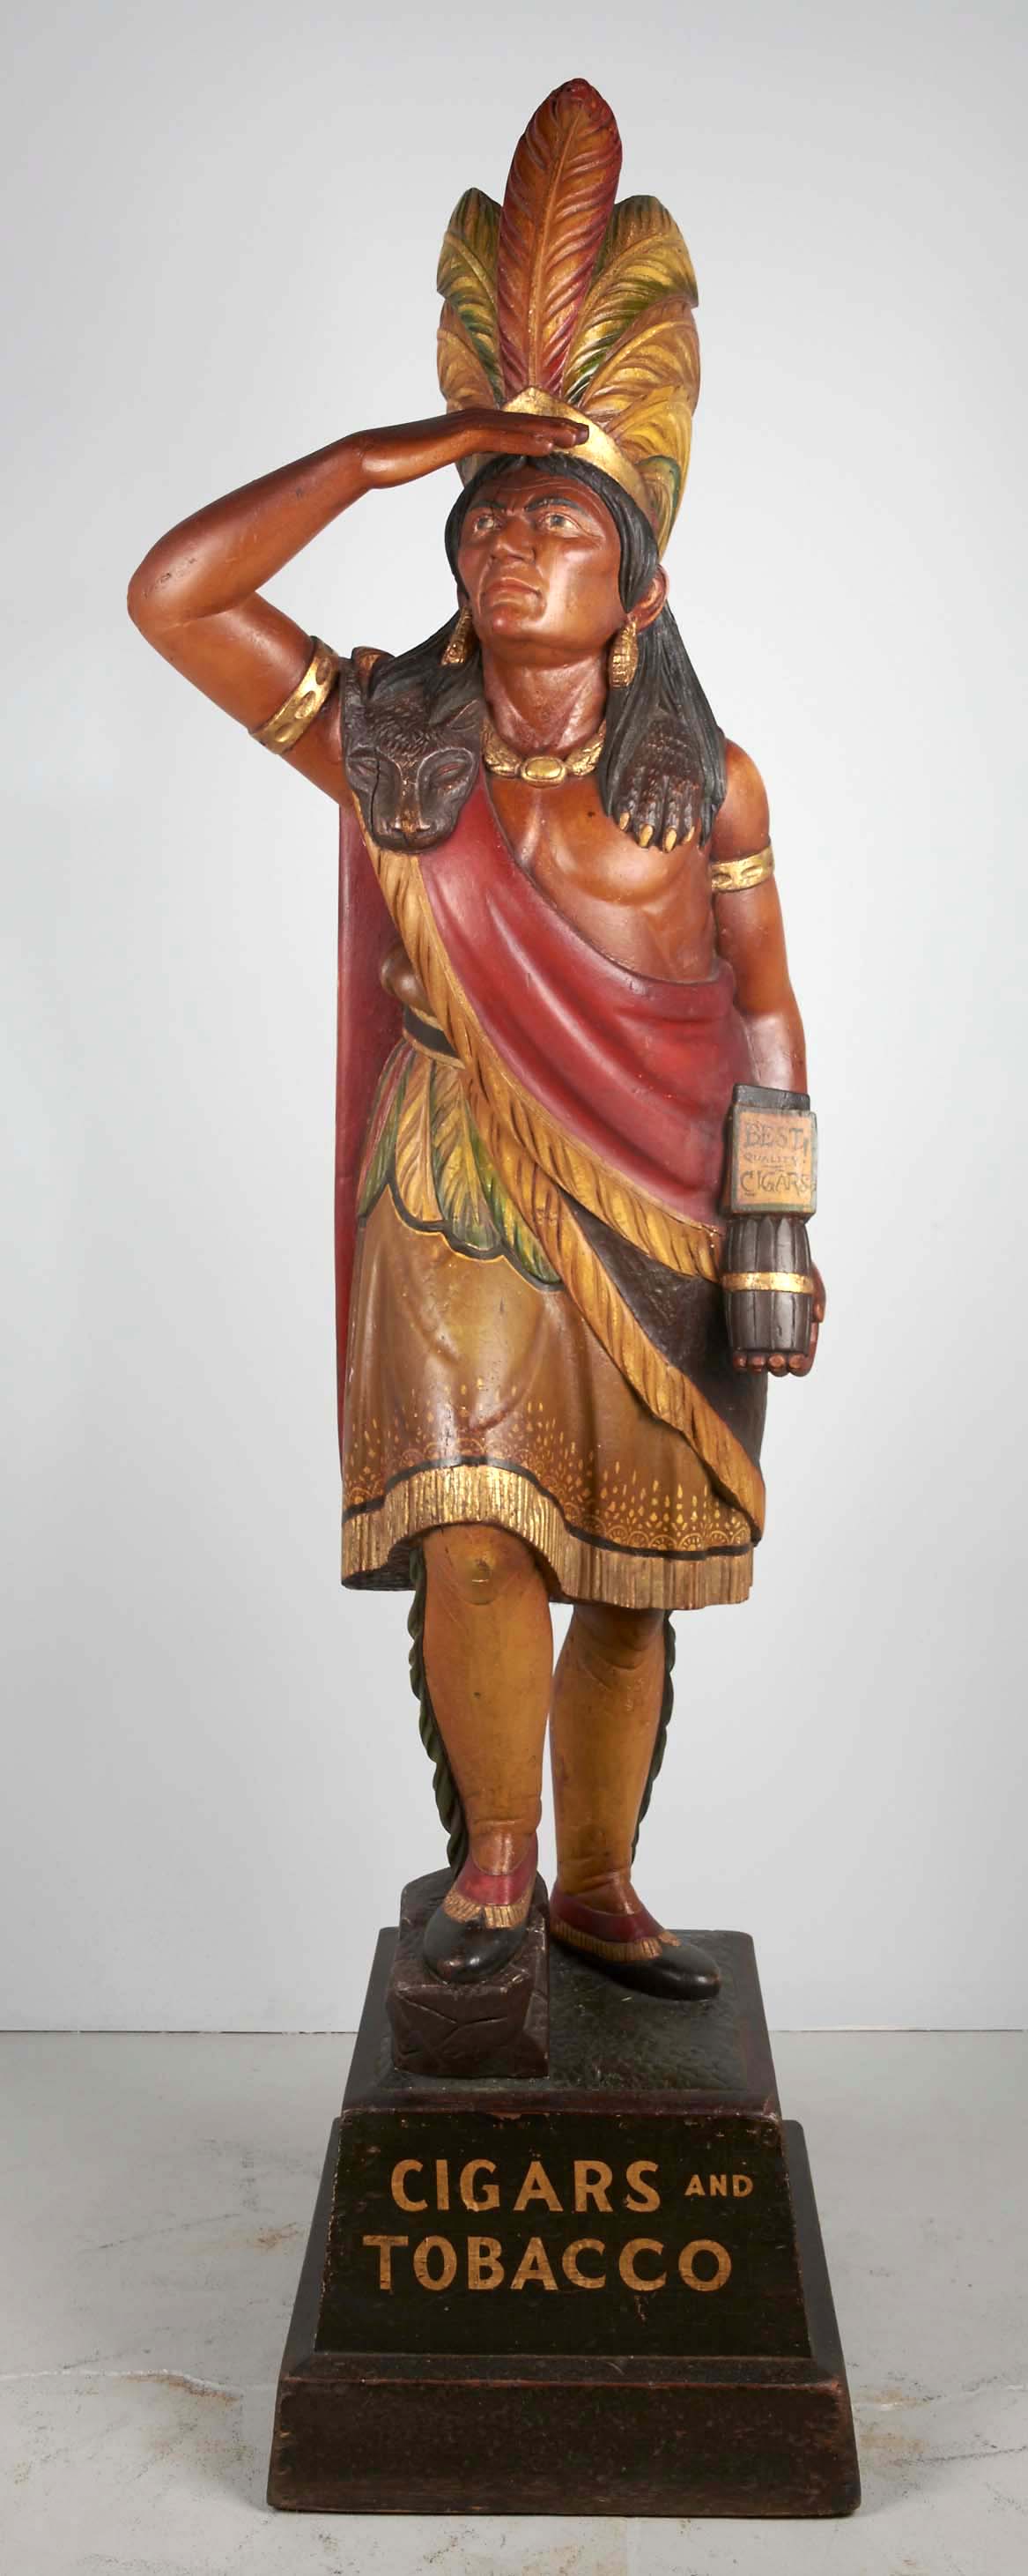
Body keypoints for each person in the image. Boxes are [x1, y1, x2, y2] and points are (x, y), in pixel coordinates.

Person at [129, 80, 824, 2003]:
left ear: (639, 580)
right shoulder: (391, 746)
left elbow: (766, 1003)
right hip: (446, 1179)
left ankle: (599, 1882)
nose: (510, 549)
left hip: (669, 1208)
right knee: (476, 1532)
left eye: (557, 523)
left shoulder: (710, 787)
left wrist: (775, 1229)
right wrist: (375, 460)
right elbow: (175, 596)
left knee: (632, 1568)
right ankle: (495, 1868)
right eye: (487, 520)